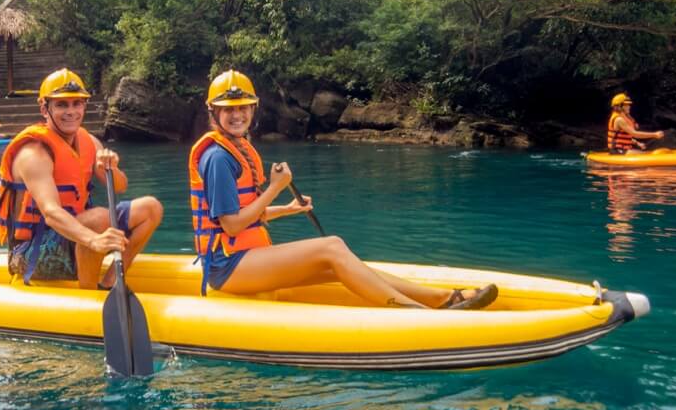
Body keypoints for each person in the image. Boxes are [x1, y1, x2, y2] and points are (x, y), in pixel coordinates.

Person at [189, 69, 498, 309]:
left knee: (335, 264)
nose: (237, 114)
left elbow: (242, 215)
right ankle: (415, 311)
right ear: (214, 113)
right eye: (228, 109)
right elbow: (231, 225)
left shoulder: (237, 148)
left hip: (244, 258)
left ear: (253, 110)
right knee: (332, 246)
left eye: (243, 107)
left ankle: (442, 297)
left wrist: (287, 208)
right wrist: (275, 189)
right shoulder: (218, 157)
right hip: (227, 267)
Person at [0, 68, 163, 289]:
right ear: (45, 109)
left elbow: (121, 187)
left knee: (151, 208)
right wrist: (94, 240)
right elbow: (51, 213)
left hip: (77, 236)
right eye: (62, 105)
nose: (71, 112)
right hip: (33, 251)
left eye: (77, 104)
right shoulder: (34, 153)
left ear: (84, 106)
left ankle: (110, 281)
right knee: (98, 219)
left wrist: (111, 168)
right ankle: (89, 294)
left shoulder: (89, 142)